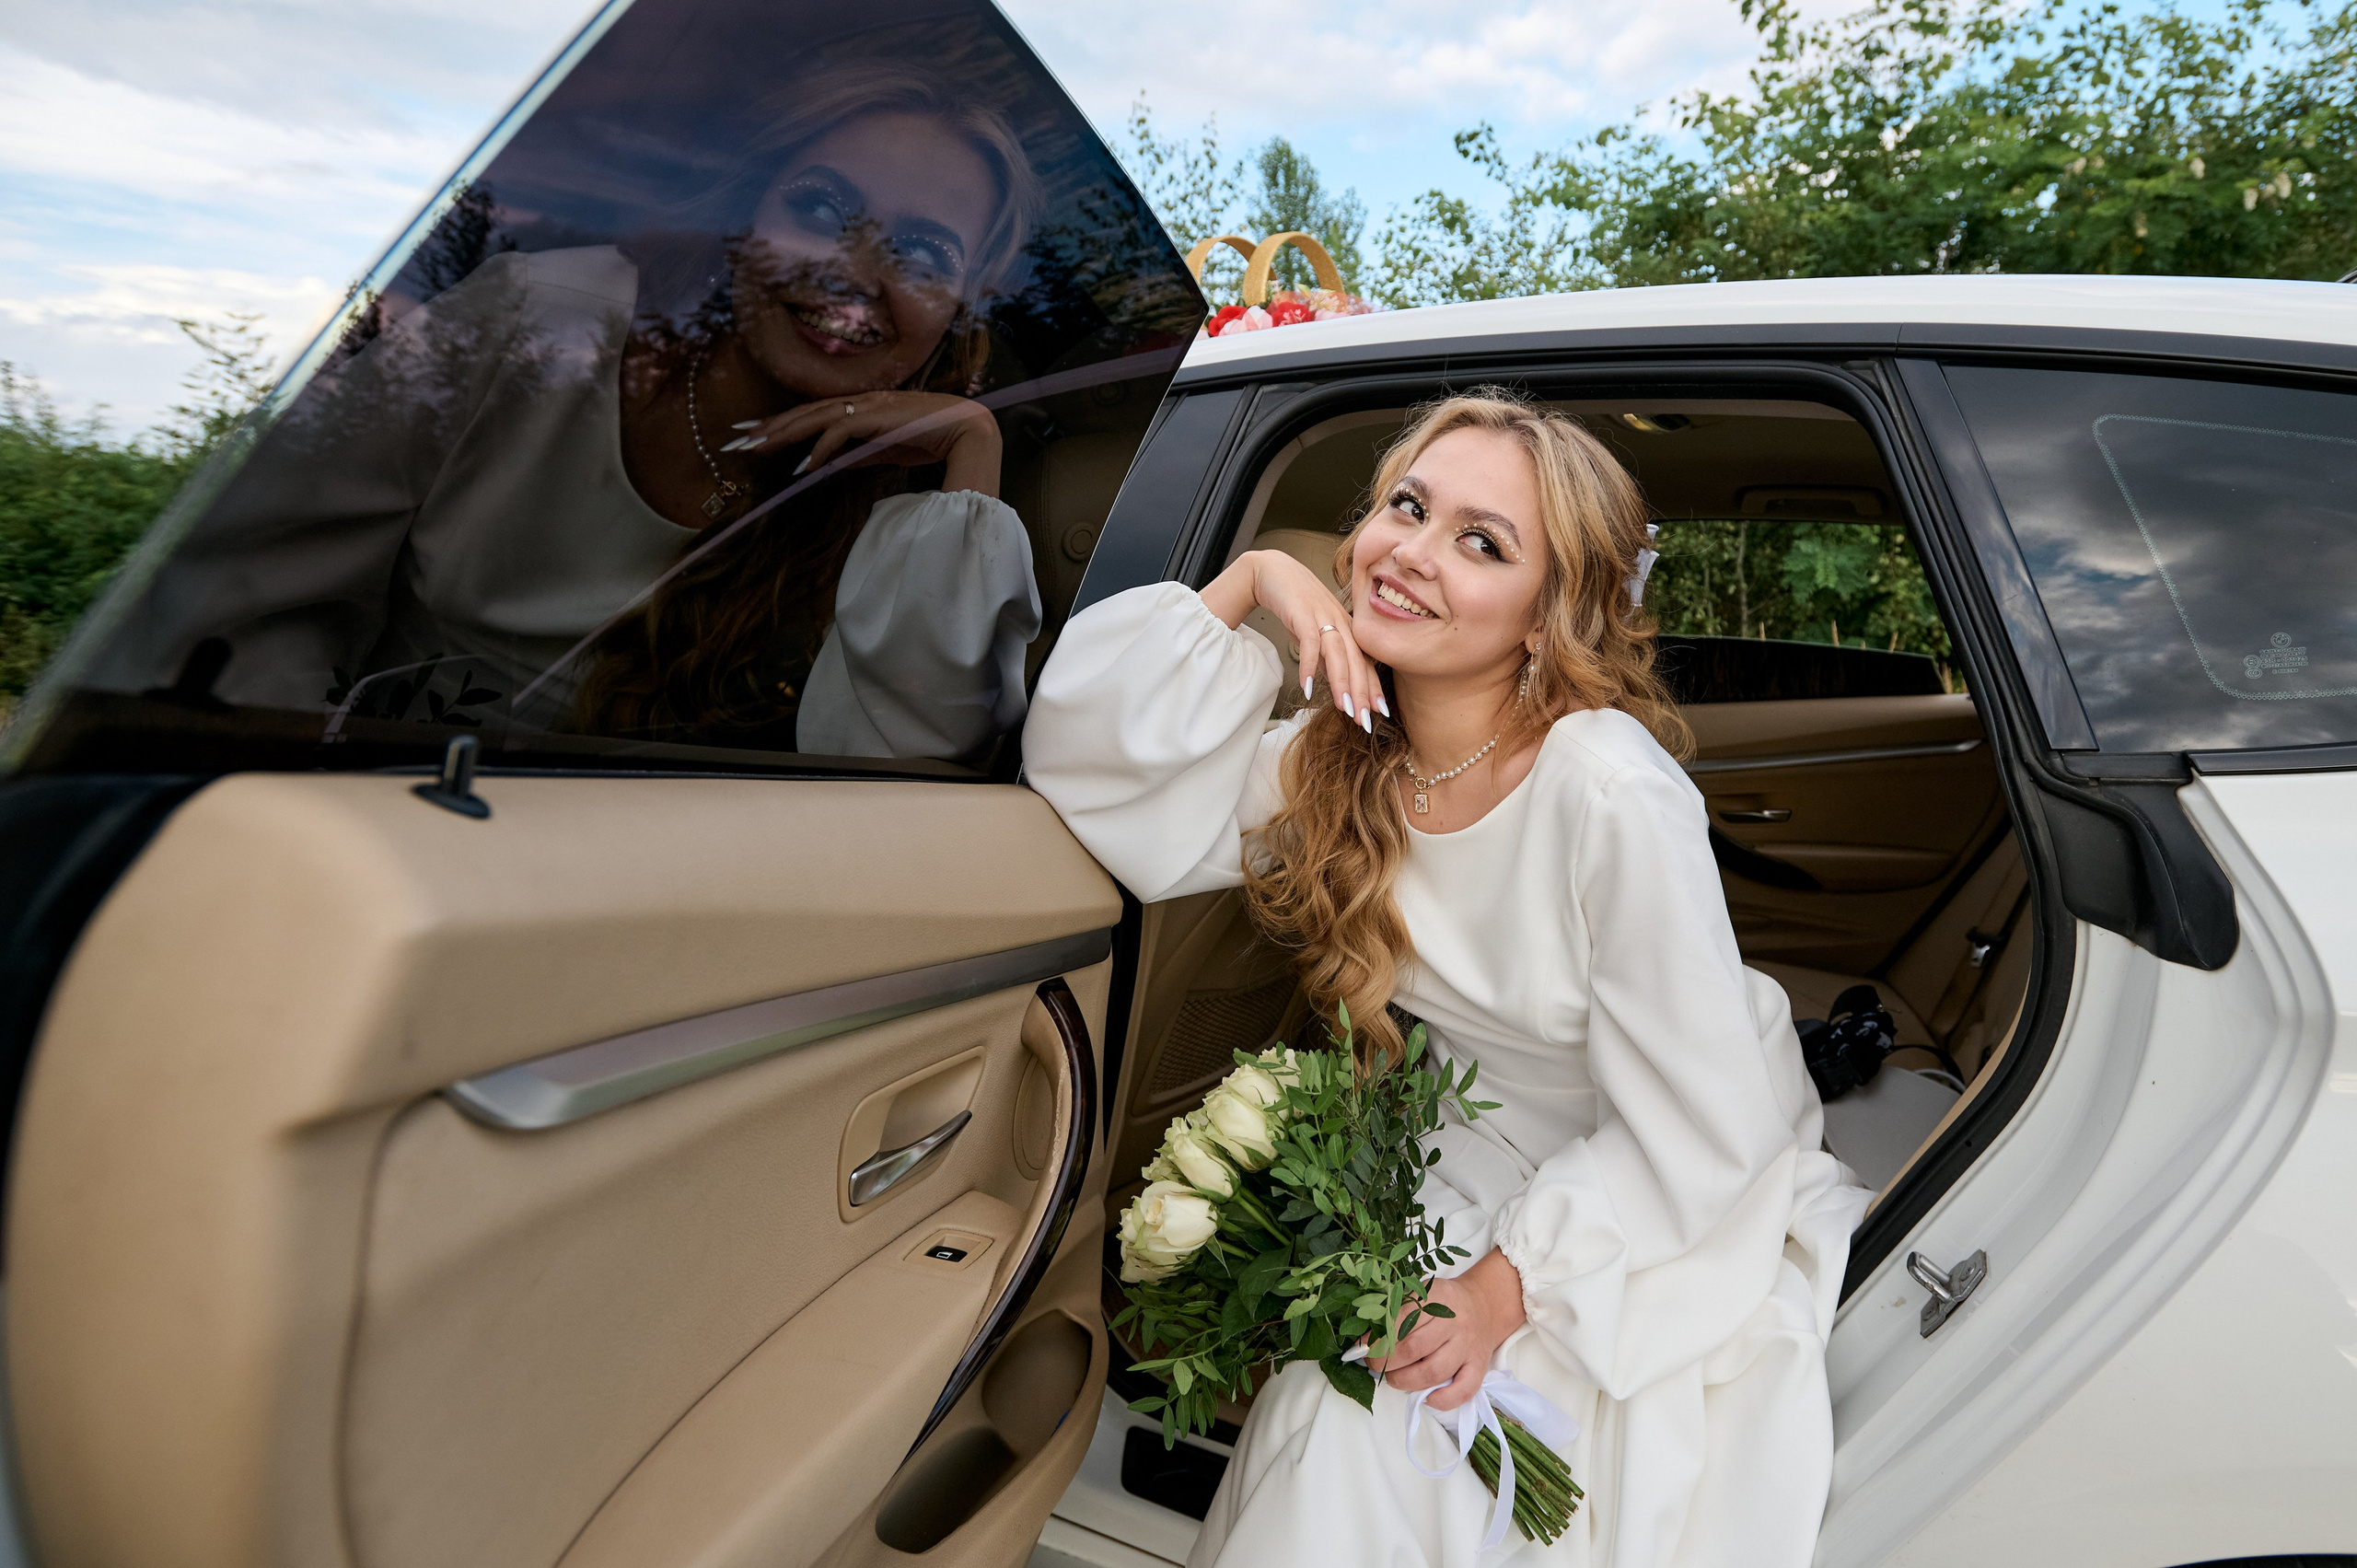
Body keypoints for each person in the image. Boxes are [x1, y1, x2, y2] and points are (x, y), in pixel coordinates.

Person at [1023, 391, 1873, 1567]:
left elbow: (1703, 1121)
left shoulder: (1605, 786)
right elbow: (1097, 781)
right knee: (1346, 1409)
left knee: (1398, 1434)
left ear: (1546, 615)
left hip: (1657, 1161)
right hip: (1466, 1143)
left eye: (1482, 543)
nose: (1412, 554)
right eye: (1405, 508)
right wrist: (1257, 579)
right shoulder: (1337, 753)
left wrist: (1507, 1286)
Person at [89, 59, 1046, 761]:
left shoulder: (908, 499)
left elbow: (895, 779)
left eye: (922, 254)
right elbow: (251, 608)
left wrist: (971, 449)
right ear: (740, 222)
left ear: (963, 306)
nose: (854, 275)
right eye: (820, 208)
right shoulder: (533, 322)